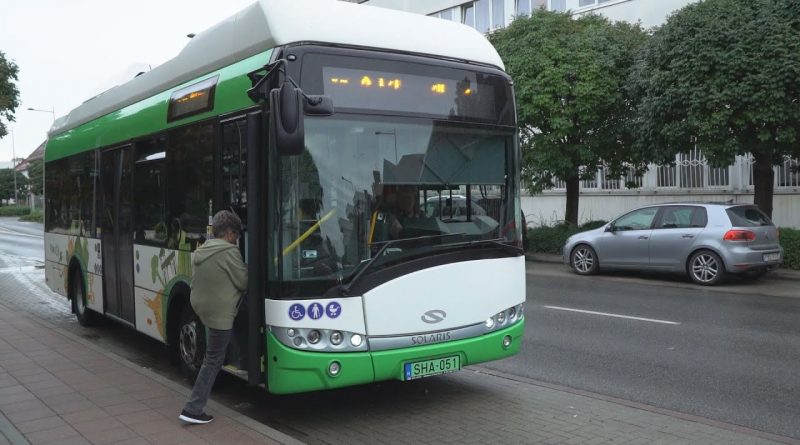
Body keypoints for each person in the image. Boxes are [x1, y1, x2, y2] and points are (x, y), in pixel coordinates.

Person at [179, 210, 247, 425]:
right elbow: (243, 282)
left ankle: (237, 357)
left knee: (218, 350)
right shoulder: (229, 252)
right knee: (213, 360)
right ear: (228, 233)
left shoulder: (204, 249)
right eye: (236, 234)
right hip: (220, 314)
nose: (236, 239)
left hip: (202, 308)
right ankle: (193, 408)